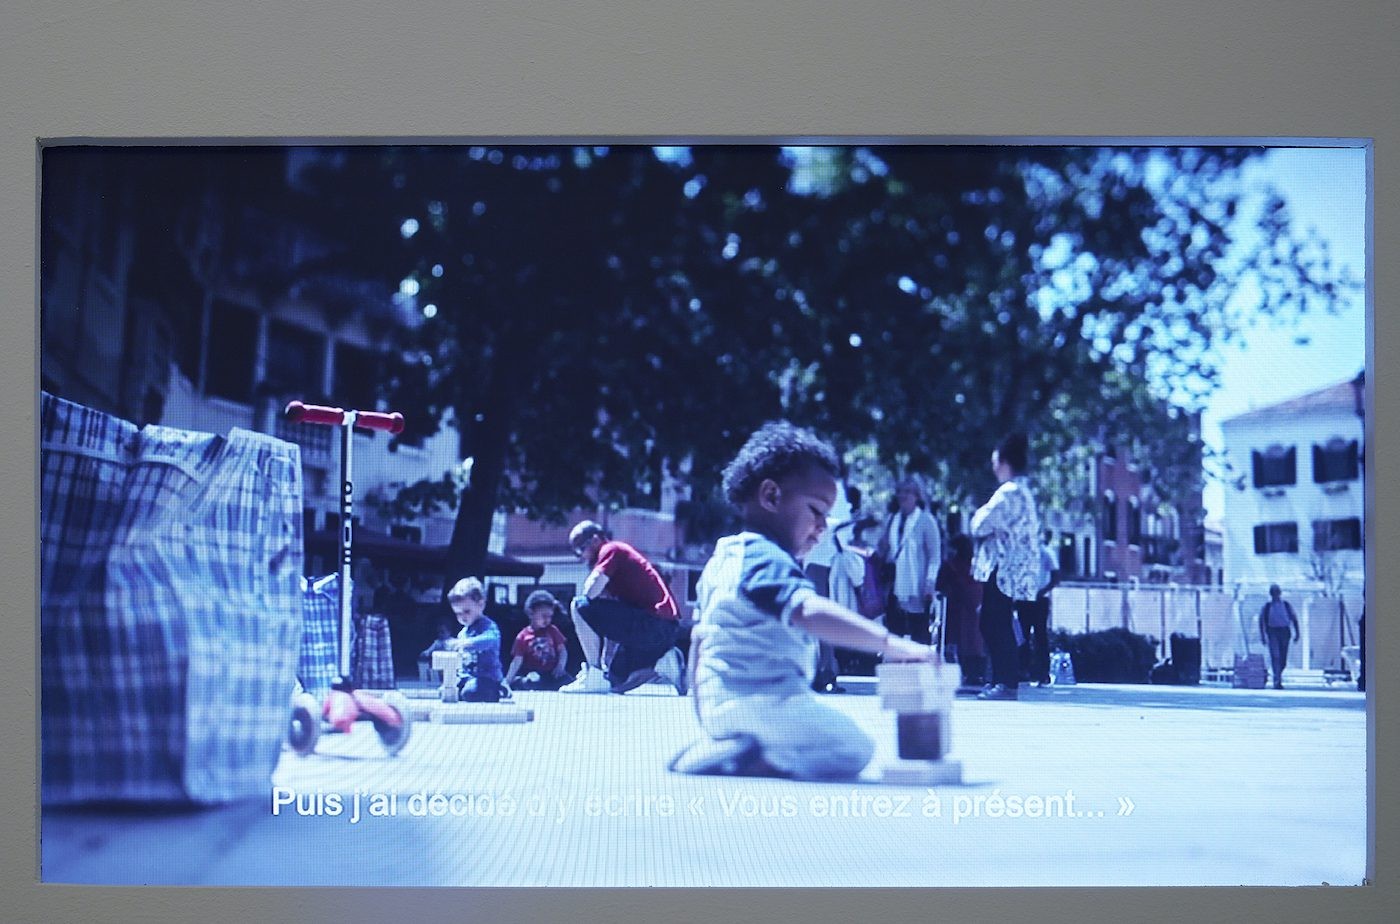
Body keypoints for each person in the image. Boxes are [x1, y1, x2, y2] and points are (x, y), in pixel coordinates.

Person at [669, 421, 937, 780]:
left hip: (719, 706)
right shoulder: (766, 558)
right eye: (816, 511)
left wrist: (703, 715)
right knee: (855, 748)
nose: (823, 526)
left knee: (812, 730)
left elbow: (700, 643)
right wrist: (892, 644)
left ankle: (728, 747)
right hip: (765, 702)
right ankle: (753, 759)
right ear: (771, 497)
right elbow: (809, 611)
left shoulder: (724, 559)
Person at [562, 520, 687, 695]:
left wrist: (597, 669)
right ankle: (663, 662)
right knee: (615, 681)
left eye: (581, 548)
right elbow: (610, 622)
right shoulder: (619, 571)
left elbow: (589, 592)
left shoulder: (611, 550)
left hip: (652, 623)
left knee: (579, 605)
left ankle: (594, 675)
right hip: (663, 627)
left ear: (596, 539)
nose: (581, 556)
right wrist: (606, 663)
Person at [969, 432, 1042, 701]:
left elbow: (978, 524)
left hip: (1005, 567)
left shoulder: (1009, 492)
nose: (993, 467)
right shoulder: (1024, 491)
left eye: (995, 461)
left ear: (1003, 462)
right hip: (1014, 566)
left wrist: (985, 527)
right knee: (996, 621)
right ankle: (1002, 679)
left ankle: (1006, 682)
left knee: (994, 622)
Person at [876, 478, 942, 645]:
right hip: (895, 584)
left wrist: (930, 582)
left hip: (917, 585)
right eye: (900, 492)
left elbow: (934, 556)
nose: (902, 496)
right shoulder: (892, 519)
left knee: (919, 630)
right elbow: (885, 549)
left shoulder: (926, 521)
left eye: (907, 492)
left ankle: (921, 668)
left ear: (917, 496)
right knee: (895, 630)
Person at [935, 533, 986, 690]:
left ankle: (957, 671)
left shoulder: (949, 565)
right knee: (974, 641)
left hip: (954, 608)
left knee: (953, 640)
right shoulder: (976, 564)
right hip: (973, 607)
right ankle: (976, 672)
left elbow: (940, 585)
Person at [446, 577, 504, 703]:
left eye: (466, 611)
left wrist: (468, 643)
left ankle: (499, 690)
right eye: (458, 613)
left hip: (487, 677)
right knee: (446, 690)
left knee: (471, 691)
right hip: (467, 676)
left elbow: (490, 639)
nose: (462, 617)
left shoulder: (488, 626)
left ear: (481, 604)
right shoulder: (463, 633)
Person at [503, 589, 571, 691]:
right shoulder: (523, 636)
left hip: (552, 672)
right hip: (535, 672)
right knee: (533, 681)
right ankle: (519, 682)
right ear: (531, 613)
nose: (547, 620)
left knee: (568, 681)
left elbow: (562, 650)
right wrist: (507, 681)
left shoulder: (552, 631)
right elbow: (517, 660)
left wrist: (560, 666)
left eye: (550, 616)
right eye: (544, 616)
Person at [1018, 533, 1059, 687]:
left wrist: (1042, 591)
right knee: (1023, 636)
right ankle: (1023, 670)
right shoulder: (1022, 553)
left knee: (1040, 635)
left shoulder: (1046, 553)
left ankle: (1043, 673)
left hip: (1040, 599)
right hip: (1024, 598)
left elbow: (1056, 576)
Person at [1258, 584, 1300, 690]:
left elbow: (1294, 619)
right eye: (1273, 593)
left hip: (1284, 632)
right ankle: (1277, 681)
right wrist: (1262, 635)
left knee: (1283, 659)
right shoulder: (1267, 606)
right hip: (1272, 632)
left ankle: (1278, 675)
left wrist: (1297, 633)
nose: (1275, 595)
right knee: (1275, 656)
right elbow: (1261, 621)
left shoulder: (1286, 605)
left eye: (1276, 592)